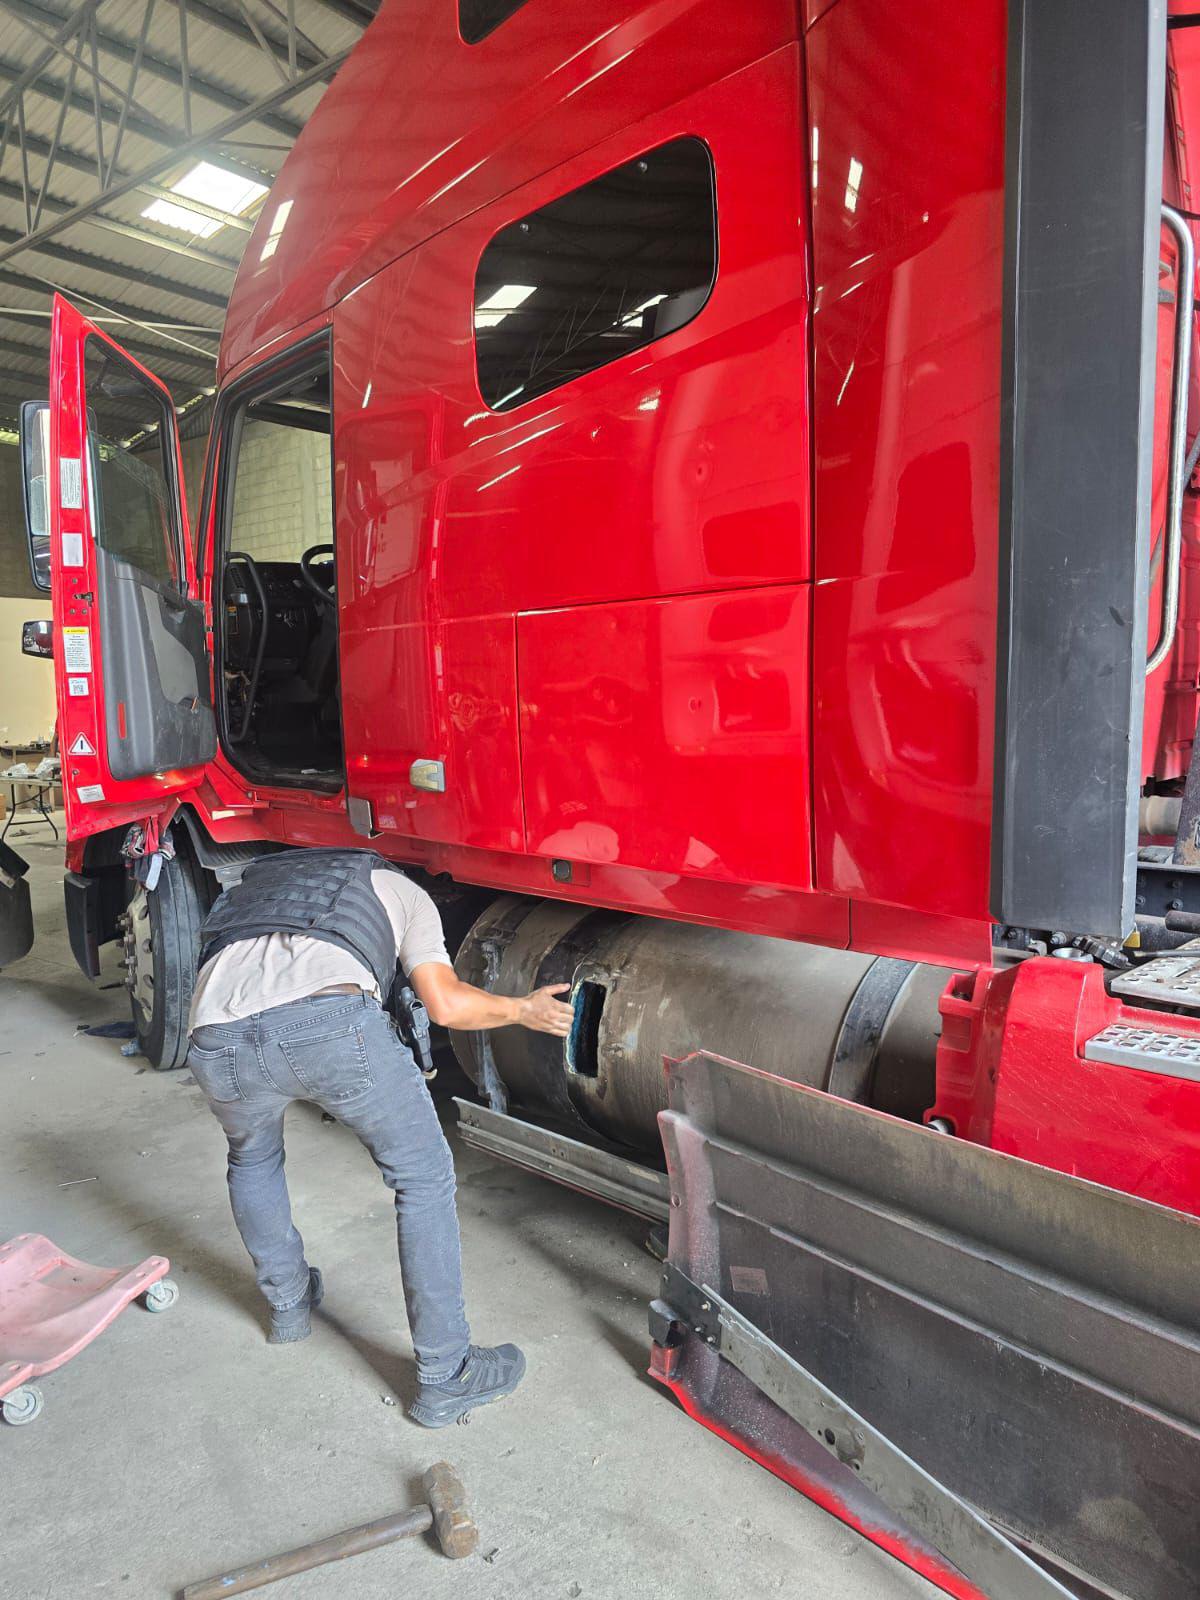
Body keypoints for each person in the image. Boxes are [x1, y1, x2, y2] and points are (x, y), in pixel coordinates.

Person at [185, 846, 573, 1428]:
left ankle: (289, 1306)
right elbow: (444, 1004)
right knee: (423, 1177)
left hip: (214, 1036)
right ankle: (447, 1376)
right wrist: (522, 1010)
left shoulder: (255, 886)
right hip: (328, 1021)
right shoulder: (403, 892)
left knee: (252, 1157)